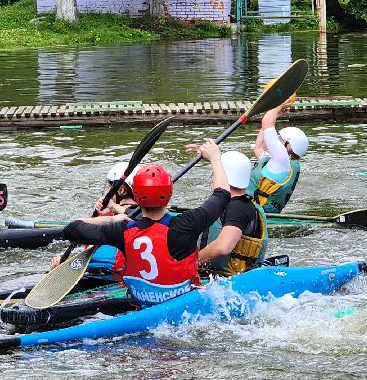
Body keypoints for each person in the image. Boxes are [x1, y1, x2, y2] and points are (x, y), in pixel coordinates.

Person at [56, 142, 230, 305]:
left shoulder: (122, 230)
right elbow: (222, 195)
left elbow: (71, 229)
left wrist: (111, 217)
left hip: (142, 305)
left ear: (137, 197)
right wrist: (215, 158)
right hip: (184, 307)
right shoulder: (187, 224)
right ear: (170, 194)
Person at [198, 150, 268, 277]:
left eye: (215, 174)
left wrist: (187, 265)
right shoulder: (246, 204)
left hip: (225, 279)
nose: (213, 177)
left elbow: (223, 247)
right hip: (226, 276)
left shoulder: (237, 207)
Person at [249, 103, 305, 214]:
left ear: (288, 145)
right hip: (256, 211)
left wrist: (278, 105)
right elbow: (258, 147)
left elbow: (267, 122)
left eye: (280, 138)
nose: (276, 139)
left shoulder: (281, 159)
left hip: (253, 214)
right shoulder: (279, 163)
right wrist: (275, 114)